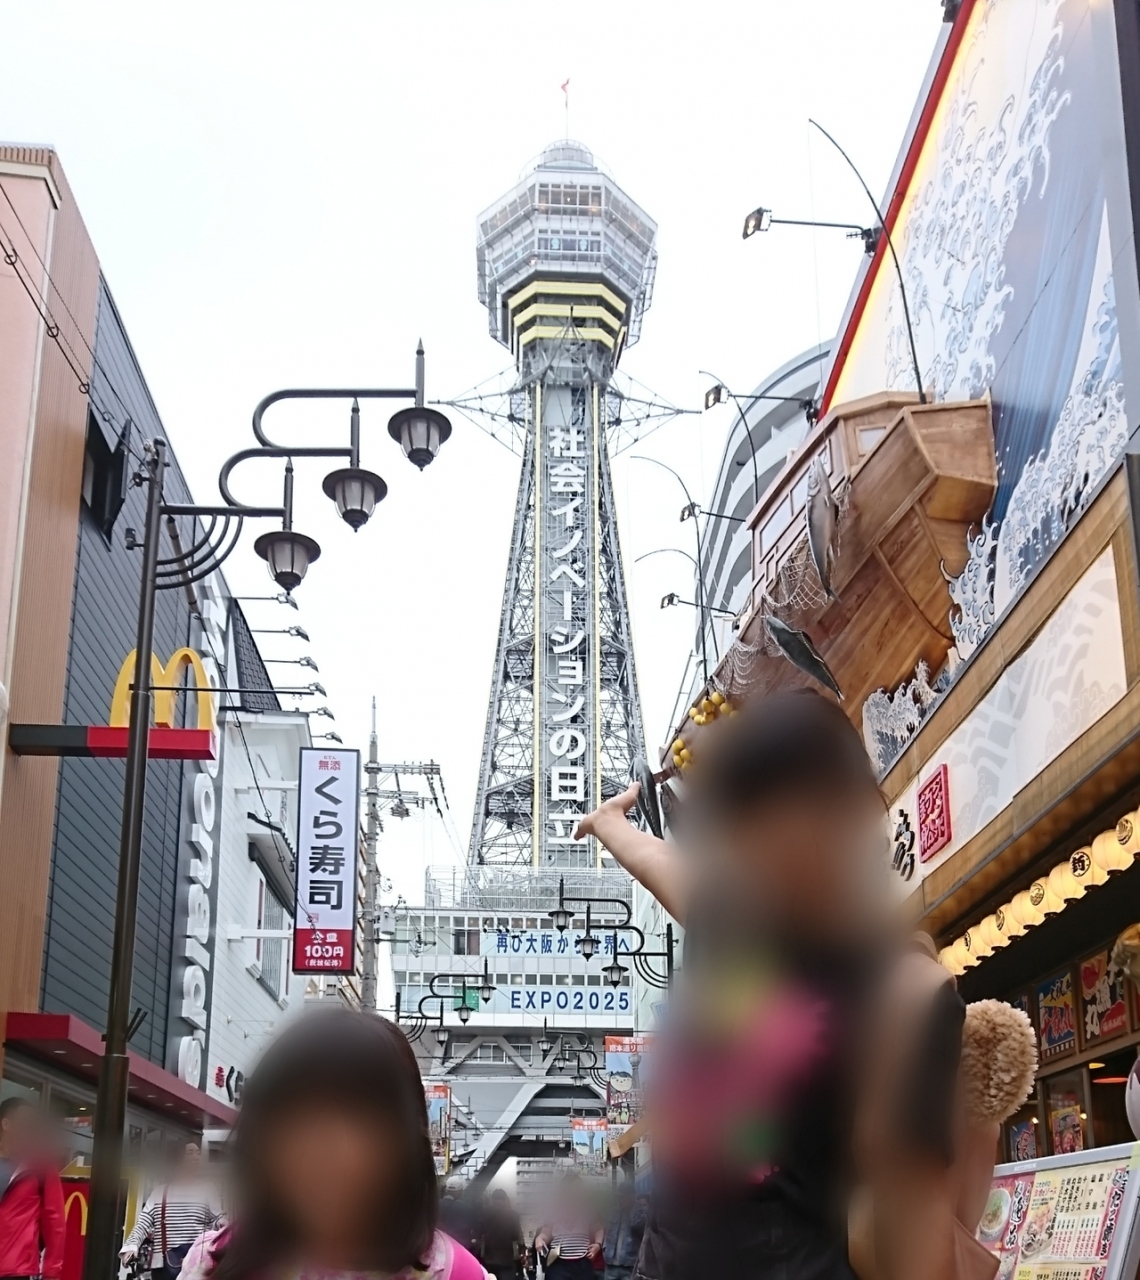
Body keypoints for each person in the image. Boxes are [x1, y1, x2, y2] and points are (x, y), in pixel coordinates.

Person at [574, 690, 971, 1280]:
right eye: (744, 819)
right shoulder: (729, 921)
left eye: (803, 806)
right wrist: (610, 825)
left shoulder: (903, 993)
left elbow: (918, 1232)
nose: (769, 845)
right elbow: (661, 864)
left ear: (861, 812)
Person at [178, 1009, 488, 1280]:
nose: (327, 1152)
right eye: (298, 1121)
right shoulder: (212, 1264)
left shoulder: (456, 1274)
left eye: (363, 1122)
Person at [121, 1142, 221, 1280]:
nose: (196, 1157)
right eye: (190, 1153)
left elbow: (218, 1219)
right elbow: (143, 1223)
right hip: (163, 1265)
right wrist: (132, 1246)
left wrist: (227, 1226)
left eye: (198, 1153)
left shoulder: (208, 1189)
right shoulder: (160, 1192)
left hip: (196, 1264)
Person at [0, 1096, 65, 1280]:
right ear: (6, 1124)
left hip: (18, 1270)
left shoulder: (41, 1166)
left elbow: (55, 1222)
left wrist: (52, 1272)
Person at [534, 1173, 603, 1280]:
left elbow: (598, 1229)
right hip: (558, 1263)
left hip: (582, 1262)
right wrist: (540, 1239)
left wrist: (598, 1245)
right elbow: (545, 1233)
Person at [601, 1184, 644, 1280]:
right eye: (618, 1196)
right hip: (610, 1264)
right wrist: (605, 1249)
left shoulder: (639, 1212)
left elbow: (637, 1225)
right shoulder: (613, 1211)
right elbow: (606, 1230)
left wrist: (633, 1208)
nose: (620, 1199)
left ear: (632, 1196)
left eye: (623, 1196)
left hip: (630, 1265)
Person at [480, 1188, 523, 1279]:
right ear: (504, 1200)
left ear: (492, 1200)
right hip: (506, 1259)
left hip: (489, 1258)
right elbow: (515, 1235)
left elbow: (479, 1231)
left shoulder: (484, 1212)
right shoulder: (513, 1215)